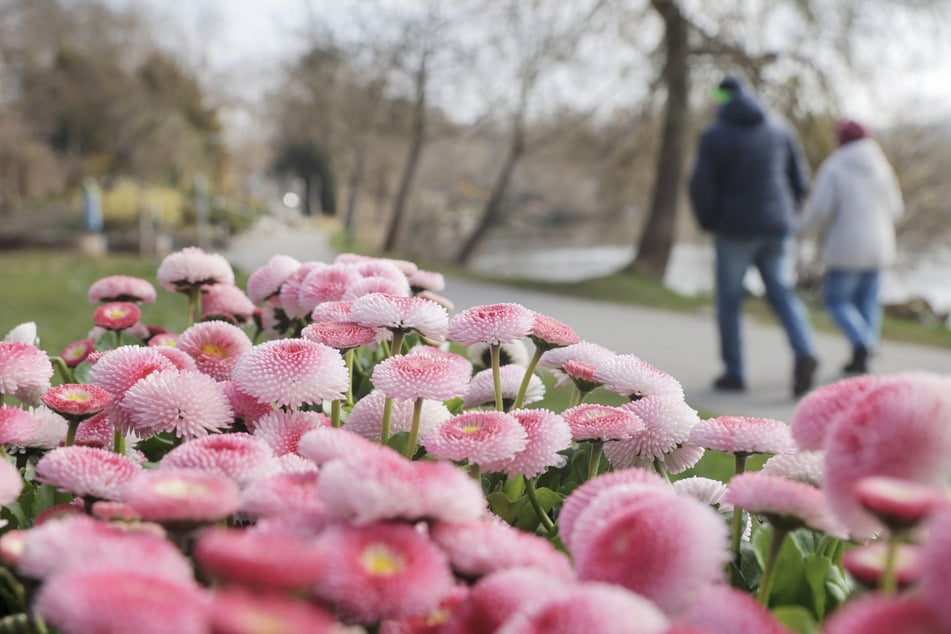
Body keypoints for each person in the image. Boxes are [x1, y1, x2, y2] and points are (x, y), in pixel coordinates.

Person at [688, 75, 819, 398]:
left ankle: (735, 373)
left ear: (722, 99)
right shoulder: (780, 127)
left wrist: (708, 221)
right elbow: (800, 180)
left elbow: (701, 186)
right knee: (782, 293)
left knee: (730, 302)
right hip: (777, 227)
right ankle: (804, 351)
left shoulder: (714, 135)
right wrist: (789, 214)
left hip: (734, 230)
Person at [797, 119, 904, 374]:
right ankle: (862, 356)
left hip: (846, 247)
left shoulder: (835, 166)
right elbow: (897, 209)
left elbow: (820, 210)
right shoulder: (882, 167)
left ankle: (863, 344)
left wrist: (799, 227)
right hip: (880, 246)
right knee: (868, 302)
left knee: (836, 301)